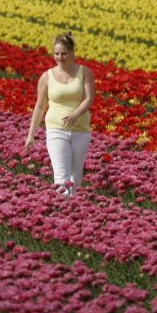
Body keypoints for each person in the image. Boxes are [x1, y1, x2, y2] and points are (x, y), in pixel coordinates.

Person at [25, 32, 95, 197]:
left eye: (64, 53)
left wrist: (76, 114)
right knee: (61, 176)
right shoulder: (46, 76)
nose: (60, 57)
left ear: (72, 53)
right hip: (56, 129)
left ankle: (72, 208)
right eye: (56, 54)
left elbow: (89, 98)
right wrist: (31, 135)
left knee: (76, 178)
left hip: (80, 130)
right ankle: (61, 213)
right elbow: (40, 106)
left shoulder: (84, 72)